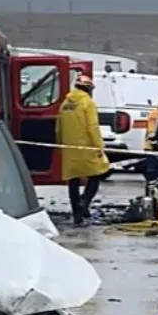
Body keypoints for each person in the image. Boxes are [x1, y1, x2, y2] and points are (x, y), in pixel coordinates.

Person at [56, 73, 109, 226]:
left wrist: (60, 144)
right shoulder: (88, 103)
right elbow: (92, 127)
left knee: (73, 180)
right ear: (89, 89)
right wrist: (99, 146)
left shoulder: (64, 103)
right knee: (97, 173)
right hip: (86, 147)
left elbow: (58, 128)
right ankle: (84, 202)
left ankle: (77, 213)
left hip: (69, 149)